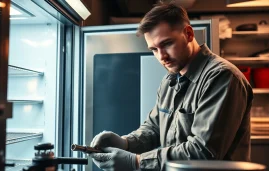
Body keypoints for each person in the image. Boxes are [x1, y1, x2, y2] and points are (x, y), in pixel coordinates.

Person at [89, 2, 253, 171]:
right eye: (154, 49)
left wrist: (137, 162)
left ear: (188, 34)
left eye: (167, 43)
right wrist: (126, 143)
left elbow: (202, 152)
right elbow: (153, 128)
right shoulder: (170, 80)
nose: (162, 56)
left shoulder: (222, 77)